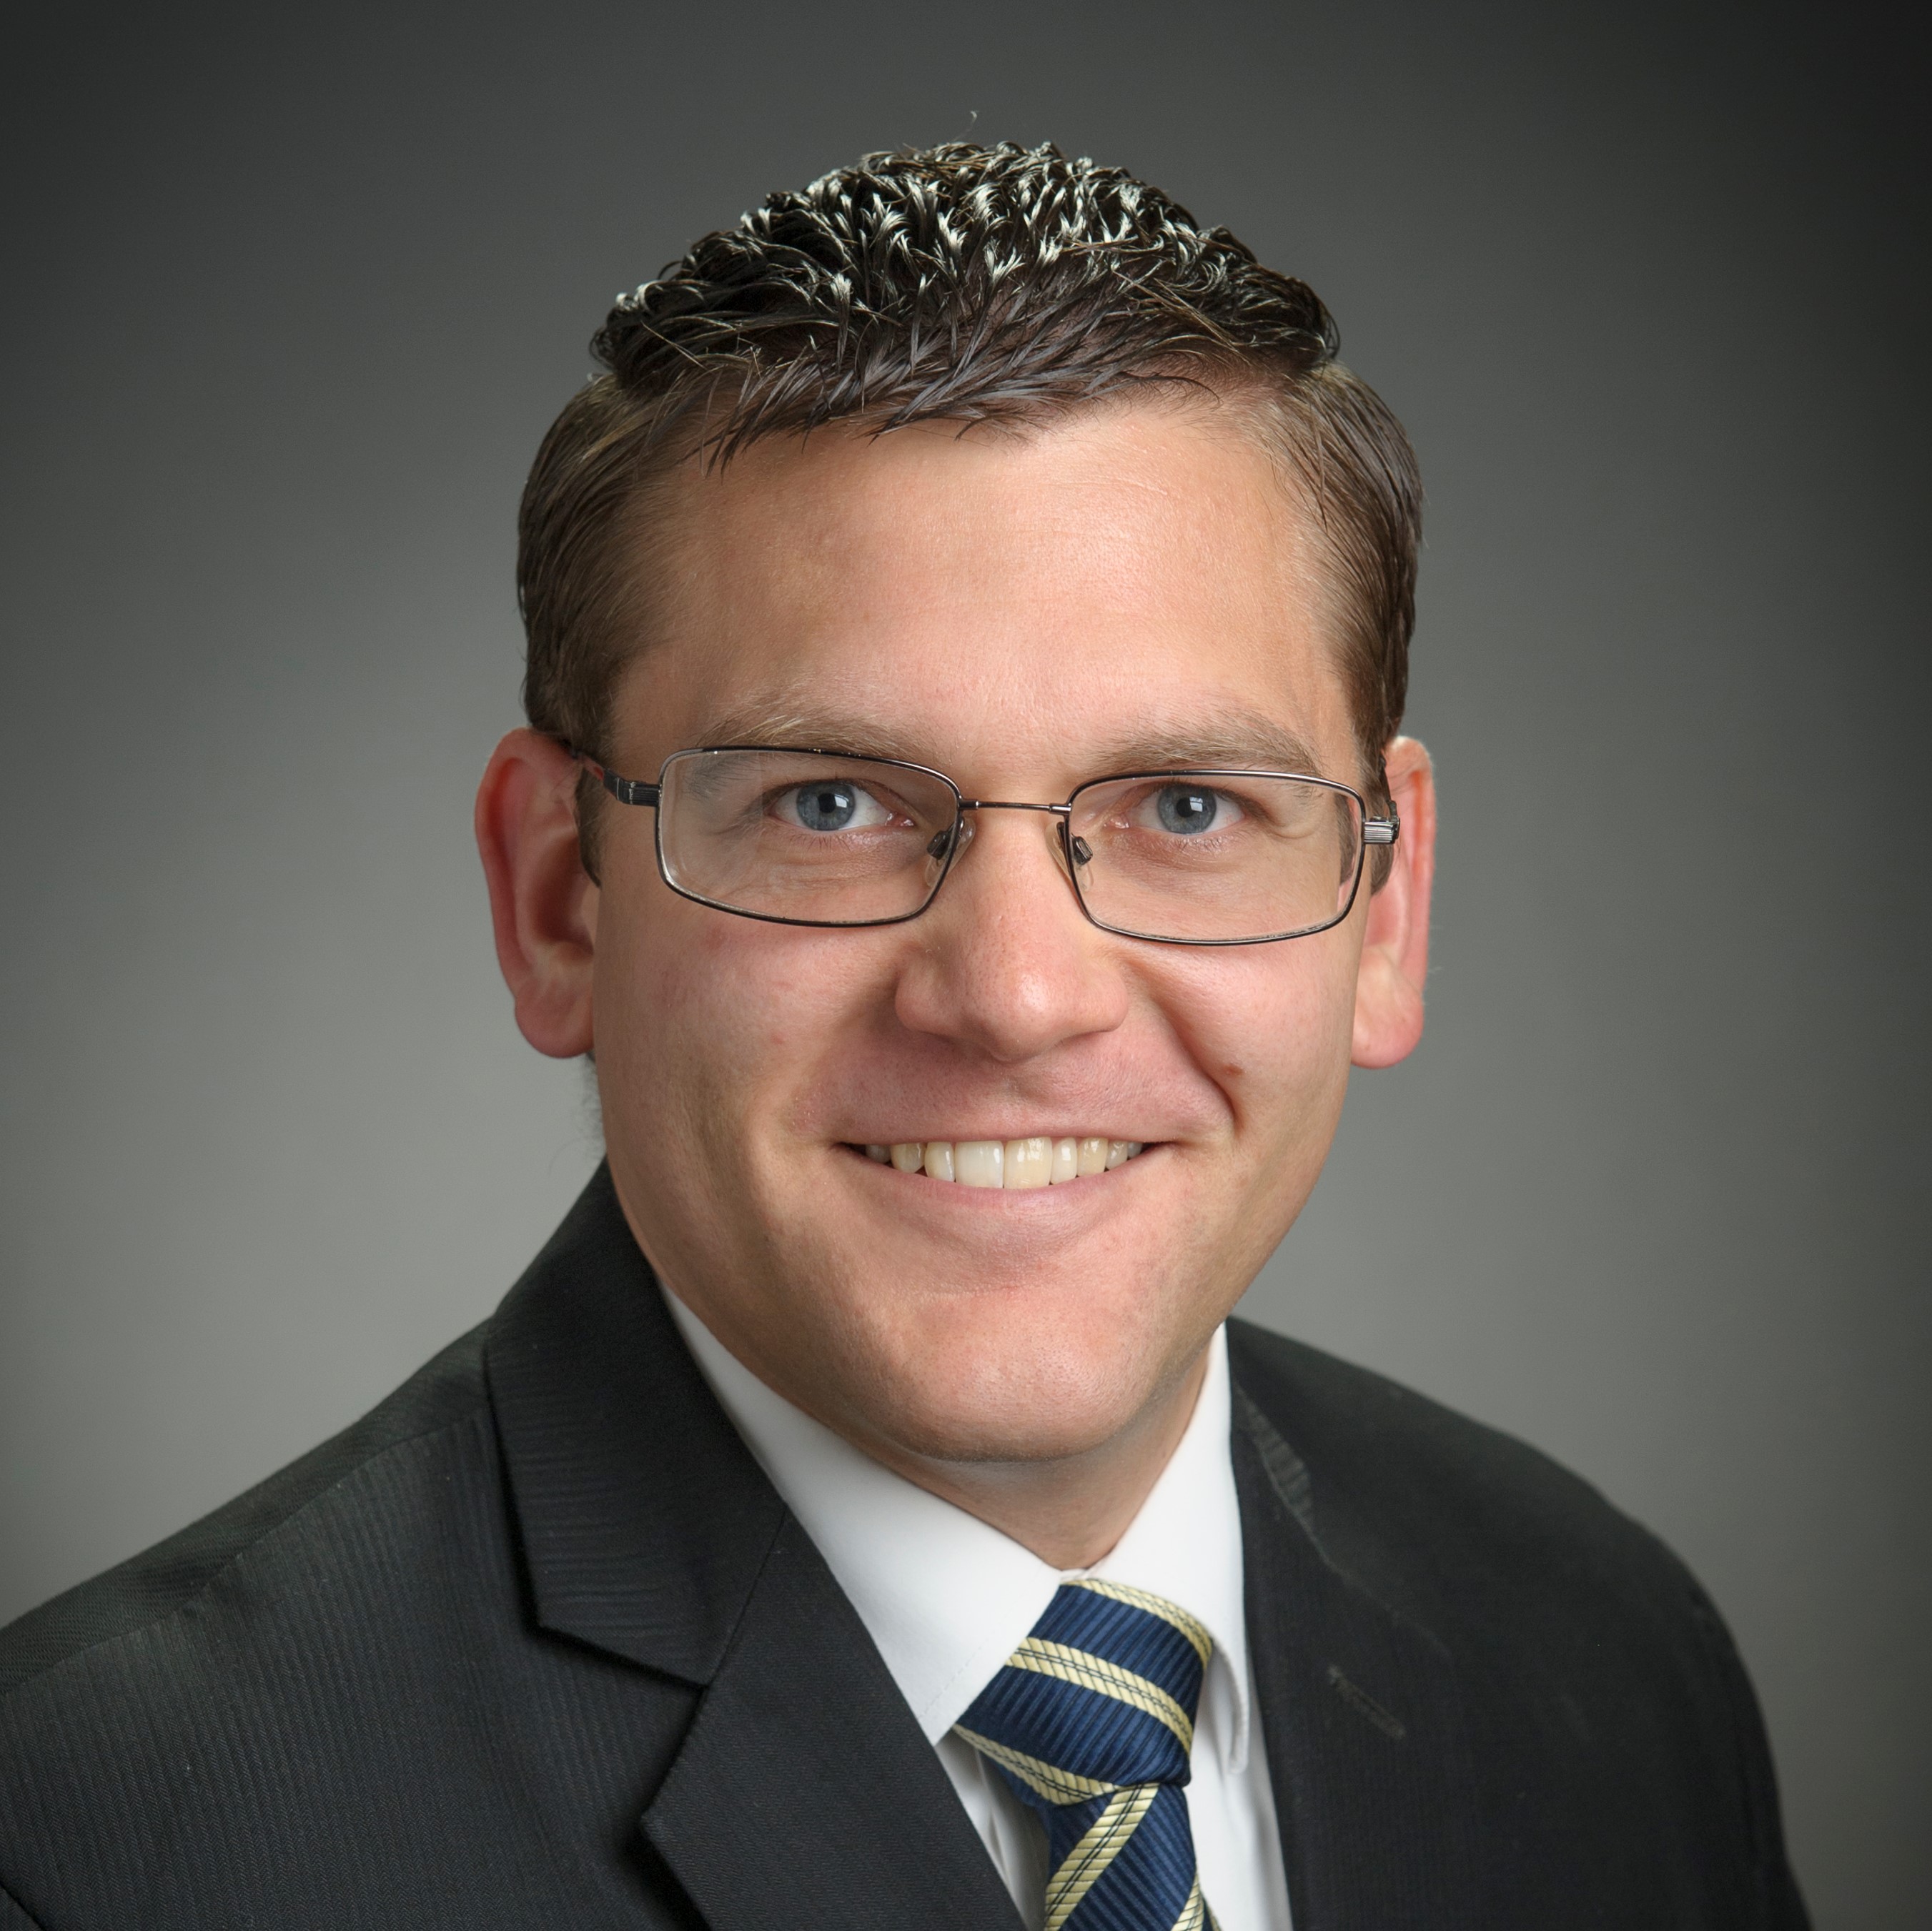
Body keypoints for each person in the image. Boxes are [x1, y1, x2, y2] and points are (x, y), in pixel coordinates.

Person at [0, 142, 1805, 1931]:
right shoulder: (108, 1843)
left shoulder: (1604, 1663)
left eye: (1183, 807)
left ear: (1384, 913)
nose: (1016, 997)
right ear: (560, 898)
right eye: (827, 804)